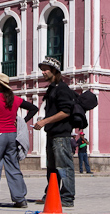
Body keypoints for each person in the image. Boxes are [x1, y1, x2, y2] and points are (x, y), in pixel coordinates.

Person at [0, 72, 37, 209]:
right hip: (11, 135)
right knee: (13, 166)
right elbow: (34, 108)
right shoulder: (14, 99)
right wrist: (22, 122)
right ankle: (20, 198)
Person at [34, 56, 76, 208]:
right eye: (42, 69)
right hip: (52, 133)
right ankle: (51, 194)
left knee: (63, 166)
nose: (43, 72)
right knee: (52, 168)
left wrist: (44, 121)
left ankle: (67, 197)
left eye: (45, 69)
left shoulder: (62, 89)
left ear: (54, 70)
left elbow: (66, 111)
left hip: (61, 134)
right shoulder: (52, 88)